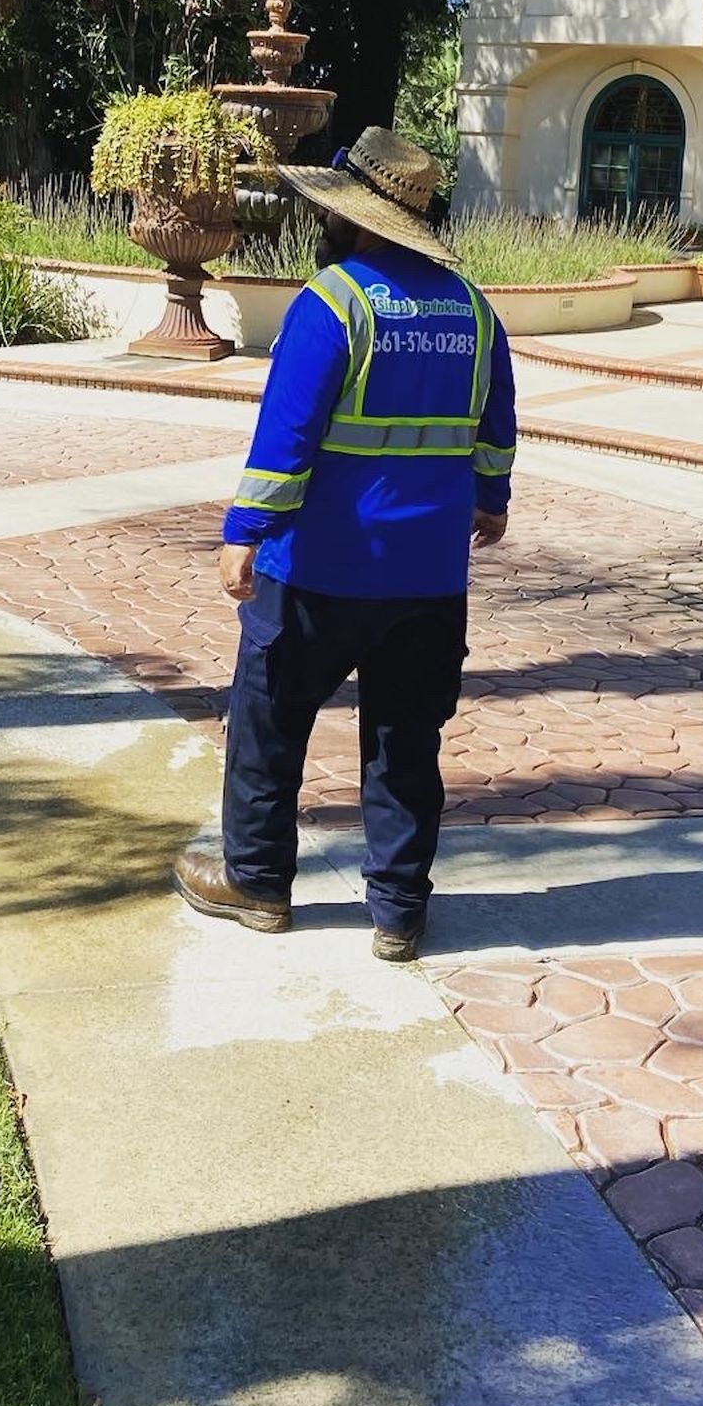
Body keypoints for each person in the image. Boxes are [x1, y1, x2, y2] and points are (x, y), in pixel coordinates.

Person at [172, 126, 517, 962]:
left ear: (356, 220)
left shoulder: (332, 305)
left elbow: (286, 439)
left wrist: (242, 532)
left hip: (316, 571)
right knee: (407, 741)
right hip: (429, 577)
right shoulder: (474, 309)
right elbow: (496, 429)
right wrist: (490, 501)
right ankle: (399, 910)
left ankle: (256, 883)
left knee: (269, 726)